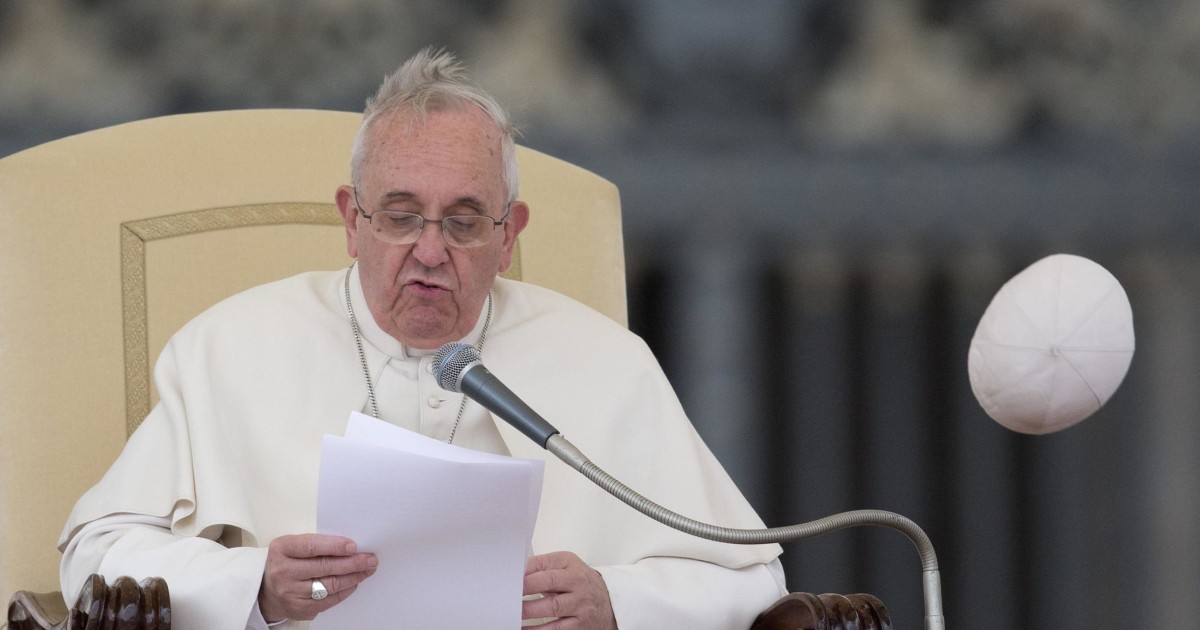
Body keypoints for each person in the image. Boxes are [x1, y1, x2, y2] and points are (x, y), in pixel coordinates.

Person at [58, 48, 785, 629]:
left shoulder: (607, 364)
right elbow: (93, 555)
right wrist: (255, 587)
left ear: (510, 237)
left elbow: (753, 577)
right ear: (351, 220)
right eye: (401, 216)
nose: (431, 251)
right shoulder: (229, 346)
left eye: (464, 221)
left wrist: (616, 603)